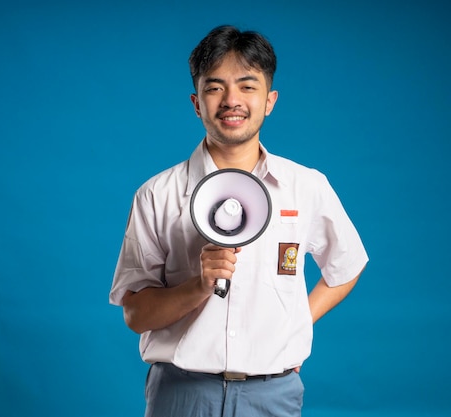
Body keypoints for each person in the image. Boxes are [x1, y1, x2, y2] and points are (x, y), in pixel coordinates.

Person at [110, 25, 368, 417]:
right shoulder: (157, 194)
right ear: (197, 103)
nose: (232, 100)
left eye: (247, 86)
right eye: (215, 88)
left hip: (272, 395)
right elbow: (135, 314)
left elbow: (347, 265)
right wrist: (198, 286)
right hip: (181, 394)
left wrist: (298, 321)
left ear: (270, 100)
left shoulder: (306, 186)